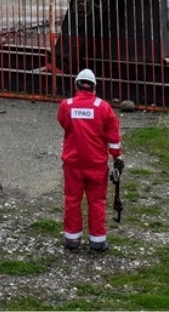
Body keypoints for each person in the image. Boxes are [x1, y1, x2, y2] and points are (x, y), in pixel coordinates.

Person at [58, 68, 123, 252]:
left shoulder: (66, 105)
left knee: (72, 200)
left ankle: (72, 239)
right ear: (94, 87)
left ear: (77, 85)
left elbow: (64, 123)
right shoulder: (103, 108)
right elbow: (113, 137)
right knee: (97, 202)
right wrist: (117, 157)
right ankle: (97, 241)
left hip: (73, 164)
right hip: (96, 165)